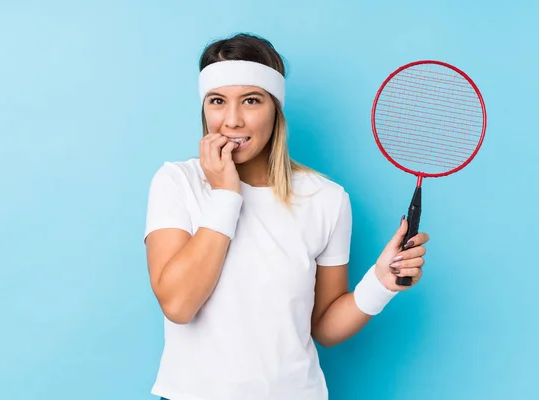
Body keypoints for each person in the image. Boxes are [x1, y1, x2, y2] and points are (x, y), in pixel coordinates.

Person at [143, 32, 429, 400]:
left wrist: (381, 283)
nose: (232, 120)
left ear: (275, 108)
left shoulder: (325, 199)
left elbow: (323, 326)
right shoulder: (176, 182)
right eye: (217, 101)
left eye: (251, 101)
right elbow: (179, 305)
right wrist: (227, 196)